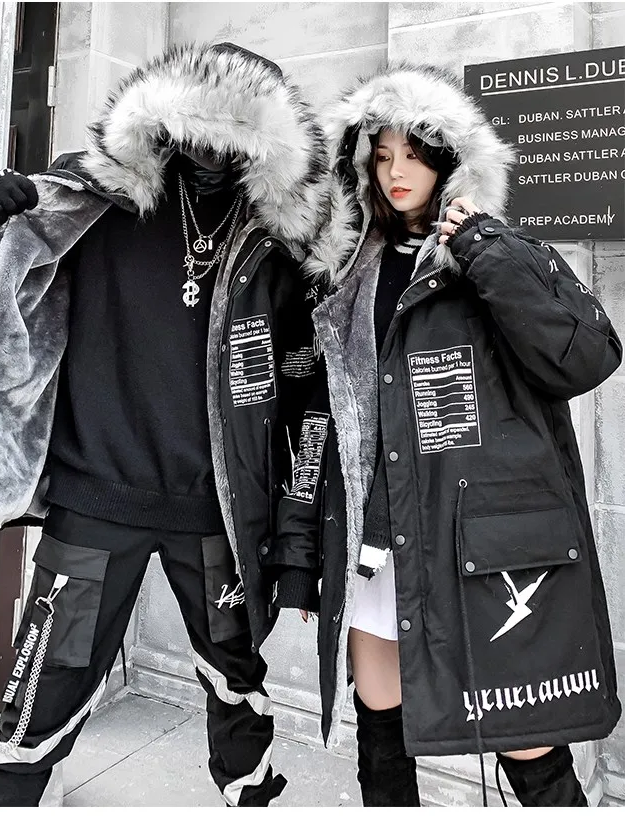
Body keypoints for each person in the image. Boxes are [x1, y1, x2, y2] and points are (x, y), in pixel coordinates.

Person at [0, 42, 329, 807]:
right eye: (198, 123)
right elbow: (12, 262)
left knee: (238, 689)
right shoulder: (97, 196)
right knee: (41, 694)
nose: (211, 147)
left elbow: (303, 396)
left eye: (236, 131)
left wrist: (295, 540)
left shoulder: (274, 243)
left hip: (218, 517)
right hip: (95, 506)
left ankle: (250, 802)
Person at [270, 64, 622, 807]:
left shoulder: (496, 253)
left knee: (529, 743)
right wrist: (301, 553)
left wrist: (484, 246)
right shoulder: (346, 274)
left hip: (475, 547)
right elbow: (321, 420)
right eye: (382, 155)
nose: (396, 172)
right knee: (381, 725)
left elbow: (586, 356)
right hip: (374, 541)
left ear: (448, 159)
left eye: (414, 154)